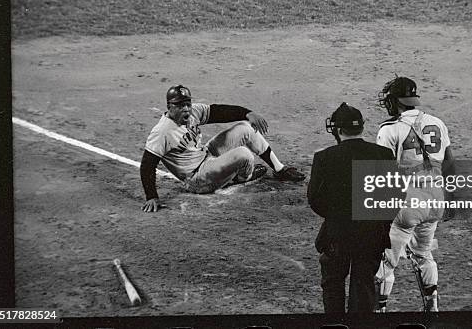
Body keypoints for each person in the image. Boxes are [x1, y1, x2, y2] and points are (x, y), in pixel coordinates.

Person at [140, 85, 305, 212]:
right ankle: (243, 178)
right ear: (170, 106)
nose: (186, 109)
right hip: (197, 178)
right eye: (180, 105)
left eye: (188, 104)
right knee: (244, 155)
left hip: (207, 156)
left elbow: (219, 112)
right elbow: (147, 165)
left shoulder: (193, 113)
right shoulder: (162, 132)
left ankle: (279, 169)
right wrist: (151, 196)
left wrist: (248, 113)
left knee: (245, 128)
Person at [374, 76, 456, 313]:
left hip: (407, 203)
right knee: (424, 254)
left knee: (386, 261)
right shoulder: (437, 123)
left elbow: (383, 173)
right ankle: (433, 309)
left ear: (396, 101)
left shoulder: (389, 129)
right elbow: (449, 161)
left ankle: (379, 313)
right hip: (436, 199)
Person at [307, 102, 395, 313]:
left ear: (337, 130)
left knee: (333, 284)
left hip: (337, 233)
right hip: (372, 234)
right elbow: (393, 198)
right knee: (363, 286)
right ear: (361, 128)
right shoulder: (383, 154)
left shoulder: (324, 157)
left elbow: (314, 199)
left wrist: (338, 215)